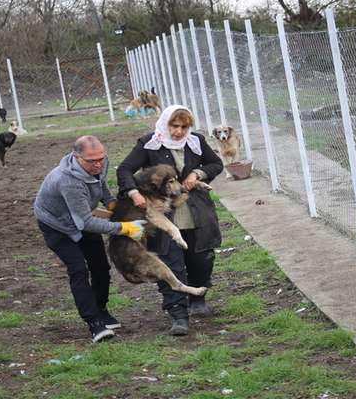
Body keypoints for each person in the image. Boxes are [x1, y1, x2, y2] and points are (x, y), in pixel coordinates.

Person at [117, 105, 223, 336]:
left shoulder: (196, 142)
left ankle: (198, 298)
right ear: (166, 123)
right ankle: (178, 313)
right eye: (174, 126)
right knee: (169, 261)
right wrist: (133, 192)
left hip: (196, 210)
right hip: (163, 213)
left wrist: (198, 174)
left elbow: (216, 164)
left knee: (201, 258)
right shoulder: (149, 143)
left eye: (184, 127)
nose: (179, 131)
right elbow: (124, 169)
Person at [34, 135, 147, 343]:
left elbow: (100, 182)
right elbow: (85, 223)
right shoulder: (67, 181)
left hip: (80, 215)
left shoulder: (100, 163)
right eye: (91, 161)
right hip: (56, 224)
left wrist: (111, 203)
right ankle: (93, 321)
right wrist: (124, 227)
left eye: (101, 158)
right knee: (78, 269)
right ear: (76, 157)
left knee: (101, 267)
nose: (98, 164)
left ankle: (101, 309)